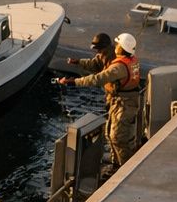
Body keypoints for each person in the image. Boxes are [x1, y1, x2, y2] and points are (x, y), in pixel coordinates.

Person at [58, 31, 144, 169]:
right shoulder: (129, 61)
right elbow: (96, 64)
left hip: (124, 104)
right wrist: (78, 62)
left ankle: (126, 168)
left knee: (118, 137)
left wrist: (74, 82)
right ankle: (117, 163)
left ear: (122, 47)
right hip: (122, 101)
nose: (115, 46)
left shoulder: (119, 67)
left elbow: (97, 79)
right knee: (110, 134)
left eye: (118, 44)